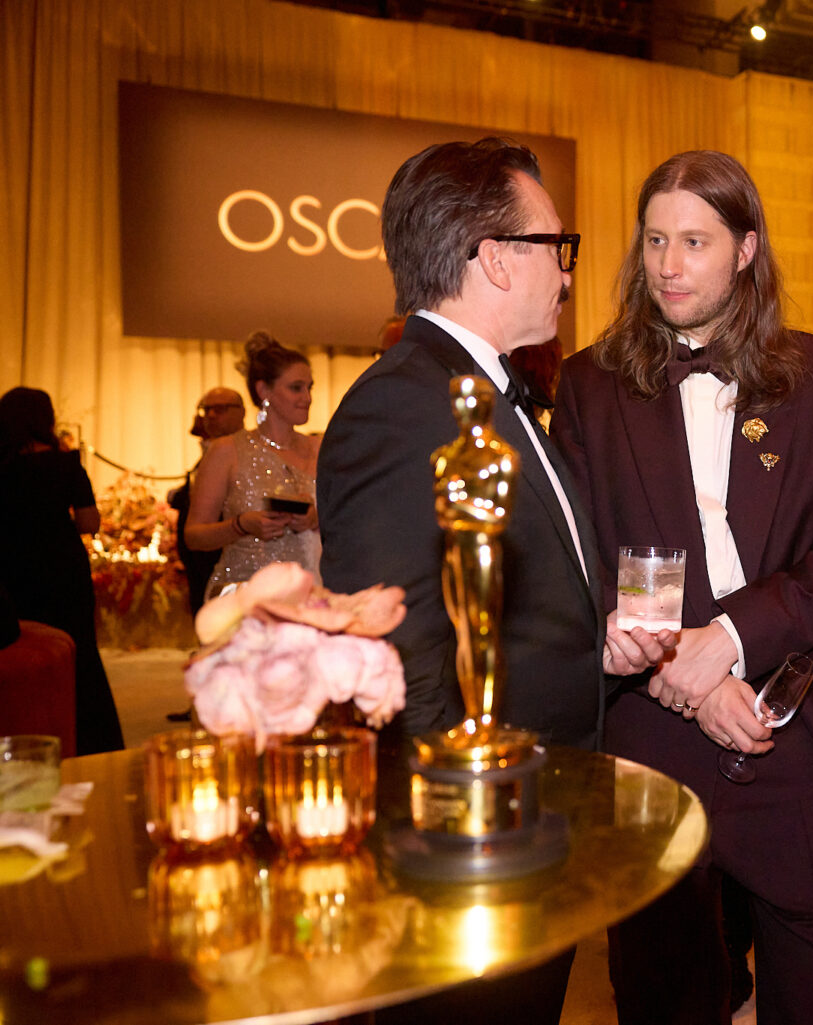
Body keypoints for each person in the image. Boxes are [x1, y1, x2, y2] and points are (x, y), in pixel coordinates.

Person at [316, 137, 669, 1025]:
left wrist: (598, 643)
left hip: (533, 804)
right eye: (560, 245)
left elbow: (505, 603)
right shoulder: (404, 404)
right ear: (499, 259)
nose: (567, 272)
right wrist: (475, 836)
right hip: (478, 838)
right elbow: (403, 657)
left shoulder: (484, 390)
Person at [551, 149, 813, 1025]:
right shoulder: (587, 386)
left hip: (785, 710)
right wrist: (686, 678)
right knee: (664, 984)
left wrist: (728, 644)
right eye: (656, 239)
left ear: (745, 249)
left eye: (694, 241)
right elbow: (576, 568)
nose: (668, 264)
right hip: (650, 719)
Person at [0, 387, 124, 754]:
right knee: (78, 651)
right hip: (60, 566)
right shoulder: (65, 464)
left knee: (20, 650)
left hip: (10, 567)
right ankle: (87, 741)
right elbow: (89, 522)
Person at [184, 332, 321, 600]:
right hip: (243, 596)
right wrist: (241, 525)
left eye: (309, 387)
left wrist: (315, 519)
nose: (307, 397)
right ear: (263, 391)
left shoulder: (321, 449)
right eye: (296, 387)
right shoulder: (227, 451)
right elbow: (194, 536)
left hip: (309, 593)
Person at [168, 387, 245, 616]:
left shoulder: (246, 452)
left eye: (219, 409)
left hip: (225, 551)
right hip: (198, 553)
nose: (210, 415)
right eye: (206, 409)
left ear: (241, 412)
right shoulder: (211, 449)